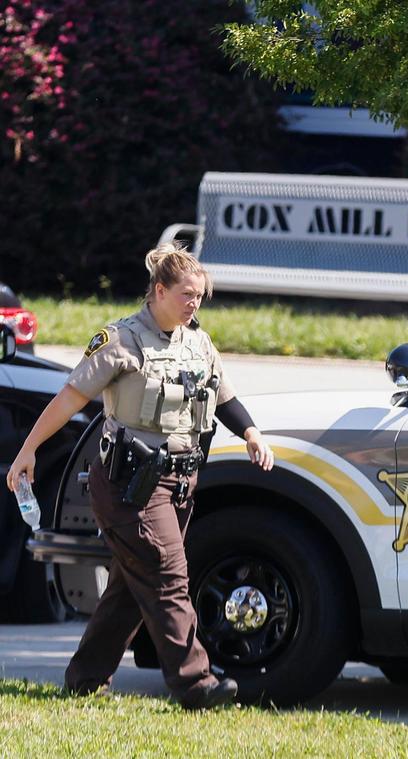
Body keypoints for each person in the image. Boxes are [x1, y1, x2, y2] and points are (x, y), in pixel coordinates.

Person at [5, 242, 274, 709]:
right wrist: (28, 449)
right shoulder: (121, 341)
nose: (195, 304)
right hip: (130, 484)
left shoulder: (198, 342)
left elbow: (224, 397)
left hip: (179, 483)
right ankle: (195, 683)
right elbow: (69, 398)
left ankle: (85, 679)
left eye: (200, 297)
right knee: (167, 575)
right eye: (187, 295)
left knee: (133, 584)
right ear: (159, 290)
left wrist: (251, 432)